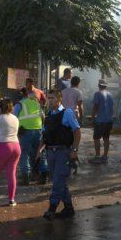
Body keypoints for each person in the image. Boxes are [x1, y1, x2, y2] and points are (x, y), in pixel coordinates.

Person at [42, 89, 81, 221]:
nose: (50, 100)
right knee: (59, 181)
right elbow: (45, 135)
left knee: (58, 180)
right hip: (51, 152)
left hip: (63, 152)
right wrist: (38, 151)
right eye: (49, 98)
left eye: (52, 98)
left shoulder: (67, 112)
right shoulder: (49, 115)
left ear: (59, 99)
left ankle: (52, 208)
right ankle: (69, 208)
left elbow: (77, 131)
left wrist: (74, 150)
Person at [13, 90, 48, 186]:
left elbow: (13, 118)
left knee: (24, 154)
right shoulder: (37, 104)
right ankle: (43, 174)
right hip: (38, 131)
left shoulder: (19, 105)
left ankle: (26, 177)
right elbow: (43, 117)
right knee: (40, 152)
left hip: (25, 132)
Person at [91, 79, 115, 163]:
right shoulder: (110, 94)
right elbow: (112, 108)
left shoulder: (97, 94)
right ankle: (105, 156)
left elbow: (95, 106)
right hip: (109, 120)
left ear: (99, 85)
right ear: (105, 86)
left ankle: (97, 156)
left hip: (100, 121)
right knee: (106, 138)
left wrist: (93, 117)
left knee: (96, 138)